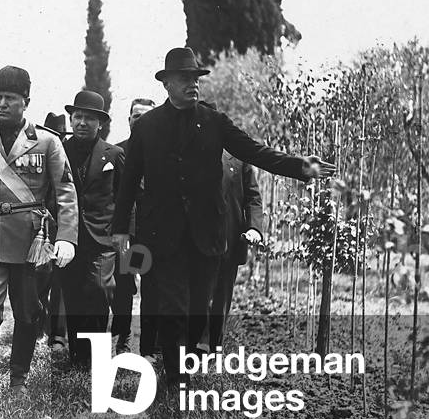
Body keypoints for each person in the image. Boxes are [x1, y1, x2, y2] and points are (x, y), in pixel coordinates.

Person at [112, 47, 334, 388]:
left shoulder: (215, 122)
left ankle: (183, 361)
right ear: (167, 83)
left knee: (199, 306)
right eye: (185, 78)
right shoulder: (149, 127)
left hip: (208, 232)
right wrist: (120, 230)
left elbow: (255, 152)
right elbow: (129, 182)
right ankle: (175, 376)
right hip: (163, 233)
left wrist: (301, 167)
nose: (193, 84)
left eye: (196, 79)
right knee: (172, 306)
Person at [0, 65, 79, 413]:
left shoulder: (48, 142)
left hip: (30, 240)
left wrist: (66, 237)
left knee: (28, 312)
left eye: (11, 98)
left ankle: (18, 378)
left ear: (26, 101)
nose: (3, 104)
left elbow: (65, 191)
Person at [60, 91, 124, 368]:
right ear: (71, 119)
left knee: (99, 291)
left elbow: (127, 198)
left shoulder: (114, 154)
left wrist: (125, 234)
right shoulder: (59, 150)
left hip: (103, 238)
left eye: (89, 118)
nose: (82, 122)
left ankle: (96, 356)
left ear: (101, 123)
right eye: (78, 117)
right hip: (69, 237)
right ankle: (77, 355)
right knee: (73, 294)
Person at [200, 150, 262, 353]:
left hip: (231, 237)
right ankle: (199, 343)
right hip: (197, 239)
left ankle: (214, 346)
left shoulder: (239, 159)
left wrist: (253, 228)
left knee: (221, 298)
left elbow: (252, 197)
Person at [112, 98, 156, 358]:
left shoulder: (164, 153)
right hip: (129, 234)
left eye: (147, 116)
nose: (141, 121)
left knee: (152, 287)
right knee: (125, 286)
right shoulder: (119, 152)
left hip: (155, 232)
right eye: (136, 116)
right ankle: (123, 339)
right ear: (128, 120)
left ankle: (150, 346)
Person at [40, 111, 71, 355]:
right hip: (40, 227)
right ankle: (39, 328)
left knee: (60, 283)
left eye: (60, 134)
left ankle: (57, 334)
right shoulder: (37, 153)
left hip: (60, 226)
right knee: (39, 280)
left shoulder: (65, 156)